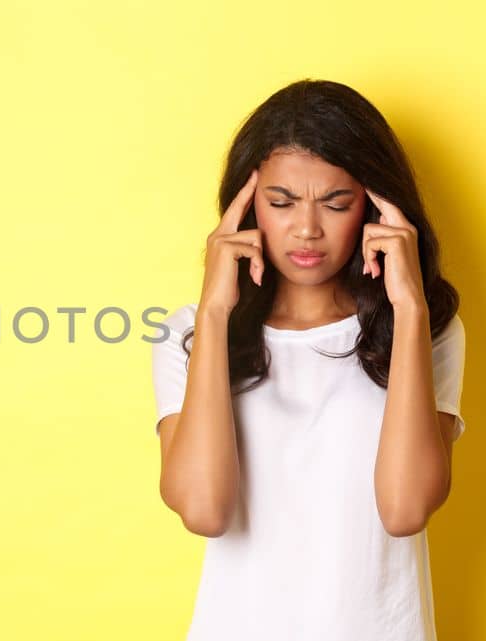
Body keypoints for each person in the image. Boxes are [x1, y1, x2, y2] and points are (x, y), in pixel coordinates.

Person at [150, 79, 468, 641]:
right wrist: (216, 311)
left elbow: (404, 510)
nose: (306, 228)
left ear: (374, 208)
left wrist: (411, 308)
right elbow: (204, 509)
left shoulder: (424, 330)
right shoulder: (190, 335)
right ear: (246, 209)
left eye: (336, 203)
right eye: (281, 202)